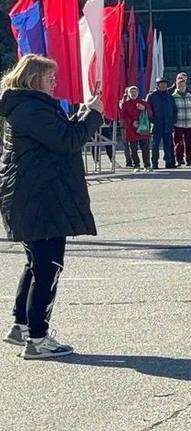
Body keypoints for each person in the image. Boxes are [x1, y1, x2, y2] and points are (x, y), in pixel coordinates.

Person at [0, 54, 104, 359]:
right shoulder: (30, 108)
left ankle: (22, 326)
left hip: (36, 195)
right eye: (50, 77)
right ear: (34, 79)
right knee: (48, 267)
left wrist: (85, 113)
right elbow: (67, 141)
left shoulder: (28, 106)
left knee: (36, 264)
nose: (54, 81)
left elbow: (58, 136)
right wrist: (93, 116)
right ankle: (38, 338)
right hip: (40, 197)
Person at [146, 77, 178, 169]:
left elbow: (174, 110)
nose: (163, 85)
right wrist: (152, 120)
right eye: (161, 83)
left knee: (168, 145)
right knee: (155, 145)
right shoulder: (152, 96)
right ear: (158, 85)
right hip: (156, 124)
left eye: (165, 83)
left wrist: (173, 120)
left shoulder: (169, 96)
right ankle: (155, 163)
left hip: (168, 124)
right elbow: (148, 110)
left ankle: (169, 162)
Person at [119, 86, 153, 173]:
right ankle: (136, 165)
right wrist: (131, 122)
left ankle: (147, 165)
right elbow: (123, 117)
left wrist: (144, 108)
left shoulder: (143, 102)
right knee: (133, 149)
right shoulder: (125, 104)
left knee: (145, 148)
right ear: (129, 94)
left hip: (143, 128)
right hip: (131, 129)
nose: (133, 94)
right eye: (132, 92)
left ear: (138, 93)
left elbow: (150, 114)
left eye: (135, 92)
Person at [172, 74, 191, 166]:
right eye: (180, 85)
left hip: (189, 123)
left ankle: (189, 160)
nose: (182, 87)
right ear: (177, 86)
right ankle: (179, 159)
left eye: (183, 85)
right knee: (178, 143)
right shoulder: (173, 97)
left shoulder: (190, 96)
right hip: (178, 124)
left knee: (188, 143)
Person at [118, 89, 133, 168]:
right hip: (125, 126)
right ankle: (128, 161)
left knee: (132, 144)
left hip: (130, 125)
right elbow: (121, 111)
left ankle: (132, 160)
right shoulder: (123, 102)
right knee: (126, 144)